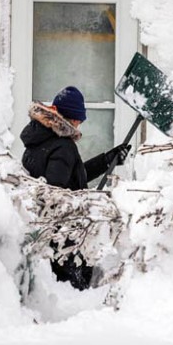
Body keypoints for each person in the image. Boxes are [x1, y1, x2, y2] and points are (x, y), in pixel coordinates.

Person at [20, 86, 130, 289]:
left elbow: (72, 176)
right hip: (64, 239)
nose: (80, 123)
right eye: (78, 118)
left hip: (43, 232)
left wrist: (107, 160)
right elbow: (57, 195)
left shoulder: (39, 139)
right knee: (74, 292)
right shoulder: (63, 146)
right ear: (68, 117)